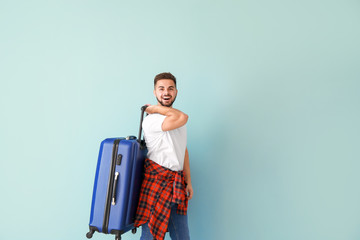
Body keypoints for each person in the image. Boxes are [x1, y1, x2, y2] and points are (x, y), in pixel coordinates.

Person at [134, 72, 193, 240]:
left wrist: (188, 181)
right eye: (161, 89)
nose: (166, 93)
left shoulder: (176, 119)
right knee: (150, 236)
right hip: (157, 183)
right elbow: (183, 117)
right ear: (154, 92)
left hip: (177, 184)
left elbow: (183, 150)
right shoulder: (151, 120)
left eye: (170, 88)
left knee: (182, 236)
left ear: (176, 91)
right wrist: (152, 109)